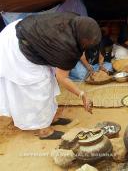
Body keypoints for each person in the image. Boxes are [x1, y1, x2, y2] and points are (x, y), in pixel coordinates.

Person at [0, 12, 101, 140]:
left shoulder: (74, 20)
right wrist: (82, 94)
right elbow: (62, 77)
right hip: (15, 46)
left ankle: (51, 118)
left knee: (49, 81)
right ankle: (44, 130)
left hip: (24, 31)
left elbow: (79, 50)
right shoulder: (66, 46)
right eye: (88, 43)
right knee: (40, 87)